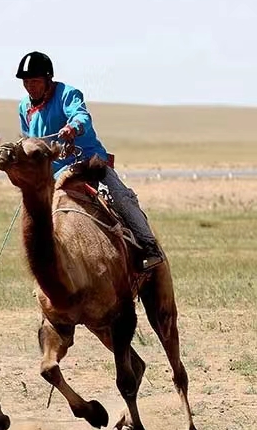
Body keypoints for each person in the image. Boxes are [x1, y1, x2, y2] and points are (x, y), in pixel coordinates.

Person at [15, 51, 165, 271]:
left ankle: (150, 248)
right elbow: (30, 140)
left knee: (122, 198)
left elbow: (81, 115)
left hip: (88, 164)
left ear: (48, 79)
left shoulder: (67, 94)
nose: (30, 87)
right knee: (34, 216)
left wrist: (72, 127)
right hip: (53, 176)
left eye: (35, 81)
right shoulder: (24, 108)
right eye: (26, 82)